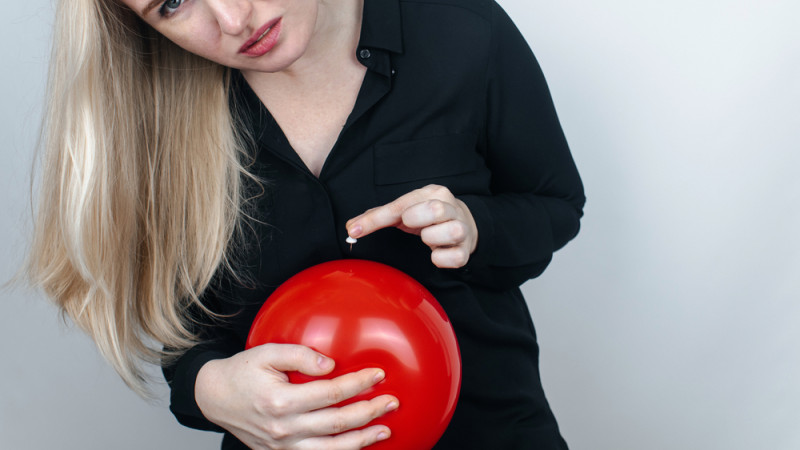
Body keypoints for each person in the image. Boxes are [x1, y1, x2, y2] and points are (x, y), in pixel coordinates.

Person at [26, 0, 585, 448]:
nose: (233, 19)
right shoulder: (152, 119)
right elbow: (179, 323)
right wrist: (205, 387)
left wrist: (474, 225)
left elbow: (554, 203)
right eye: (171, 4)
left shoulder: (461, 27)